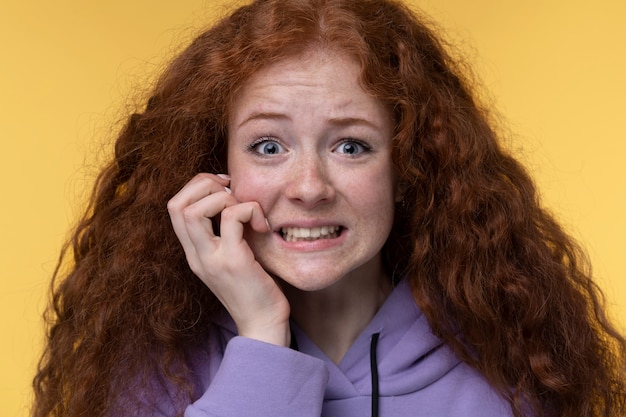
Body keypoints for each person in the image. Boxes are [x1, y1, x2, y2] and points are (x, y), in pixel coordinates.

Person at [32, 0, 626, 416]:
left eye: (351, 145)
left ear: (406, 168)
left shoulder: (517, 367)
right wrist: (263, 338)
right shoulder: (157, 371)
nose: (309, 186)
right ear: (218, 172)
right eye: (268, 146)